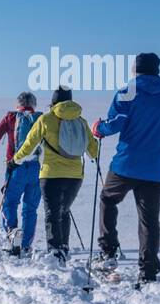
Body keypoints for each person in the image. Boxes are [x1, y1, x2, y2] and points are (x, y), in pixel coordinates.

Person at [91, 52, 160, 283]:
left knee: (108, 199)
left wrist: (98, 128)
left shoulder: (128, 92)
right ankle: (147, 271)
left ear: (135, 70)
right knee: (149, 220)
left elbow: (115, 124)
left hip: (125, 165)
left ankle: (108, 252)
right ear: (157, 71)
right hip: (155, 171)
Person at [11, 86, 99, 263]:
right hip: (75, 176)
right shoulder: (81, 121)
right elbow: (93, 151)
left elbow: (29, 145)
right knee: (64, 211)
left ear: (53, 101)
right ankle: (64, 247)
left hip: (51, 175)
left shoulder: (46, 119)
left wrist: (15, 159)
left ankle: (55, 251)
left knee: (52, 213)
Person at [0, 91, 42, 256]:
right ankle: (25, 245)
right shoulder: (41, 119)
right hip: (36, 169)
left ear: (17, 104)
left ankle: (12, 233)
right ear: (34, 104)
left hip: (15, 168)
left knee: (9, 203)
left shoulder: (11, 118)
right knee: (30, 208)